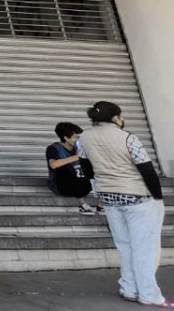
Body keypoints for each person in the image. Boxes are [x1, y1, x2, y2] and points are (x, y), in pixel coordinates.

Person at [77, 101, 171, 308]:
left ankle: (129, 289)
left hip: (109, 199)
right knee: (145, 249)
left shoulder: (83, 138)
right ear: (116, 118)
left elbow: (87, 169)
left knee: (124, 246)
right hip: (138, 199)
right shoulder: (128, 138)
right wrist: (158, 198)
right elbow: (147, 170)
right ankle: (149, 295)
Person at [46, 122, 98, 214]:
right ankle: (83, 205)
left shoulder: (81, 148)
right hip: (61, 186)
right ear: (66, 138)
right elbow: (53, 165)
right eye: (77, 137)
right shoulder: (53, 148)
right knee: (66, 167)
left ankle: (102, 205)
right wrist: (76, 157)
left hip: (83, 186)